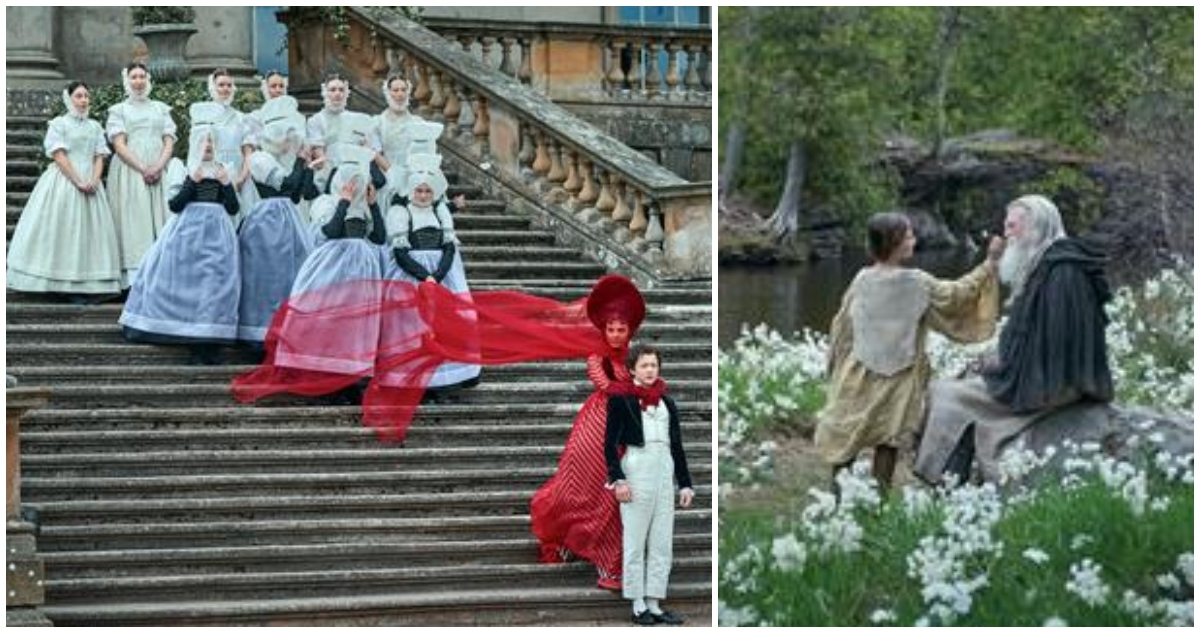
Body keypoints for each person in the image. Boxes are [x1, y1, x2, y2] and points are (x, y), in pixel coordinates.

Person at [915, 195, 1113, 484]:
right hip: (1044, 375)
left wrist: (1002, 364)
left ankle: (940, 481)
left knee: (946, 396)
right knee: (960, 380)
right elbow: (1035, 338)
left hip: (1054, 385)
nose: (1006, 234)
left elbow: (1053, 349)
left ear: (1036, 228)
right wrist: (998, 358)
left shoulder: (1062, 273)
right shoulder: (1050, 264)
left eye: (1012, 227)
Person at [815, 212, 1002, 490]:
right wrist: (990, 262)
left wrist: (835, 365)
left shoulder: (864, 278)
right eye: (910, 235)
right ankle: (866, 500)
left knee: (861, 436)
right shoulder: (915, 282)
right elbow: (959, 295)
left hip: (865, 372)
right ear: (895, 242)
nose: (914, 239)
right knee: (880, 440)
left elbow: (842, 328)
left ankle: (851, 499)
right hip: (893, 373)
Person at [530, 275, 646, 590]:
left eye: (621, 330)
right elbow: (605, 385)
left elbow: (646, 378)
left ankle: (612, 563)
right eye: (611, 329)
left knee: (614, 498)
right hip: (598, 425)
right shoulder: (597, 355)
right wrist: (639, 390)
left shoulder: (634, 354)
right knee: (586, 489)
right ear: (604, 330)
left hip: (628, 427)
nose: (616, 335)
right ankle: (574, 539)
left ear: (629, 331)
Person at [119, 103, 241, 365]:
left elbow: (232, 207)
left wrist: (226, 183)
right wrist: (192, 181)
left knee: (214, 285)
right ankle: (185, 336)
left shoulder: (223, 169)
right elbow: (175, 205)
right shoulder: (182, 168)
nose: (208, 146)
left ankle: (208, 343)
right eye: (204, 141)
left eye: (212, 141)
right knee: (187, 283)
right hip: (188, 232)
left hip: (218, 233)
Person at [379, 132, 481, 393]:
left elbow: (448, 247)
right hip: (412, 274)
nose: (423, 195)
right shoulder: (401, 213)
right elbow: (401, 253)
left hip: (442, 273)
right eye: (419, 190)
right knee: (411, 324)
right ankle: (411, 375)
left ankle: (446, 376)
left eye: (427, 191)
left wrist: (439, 273)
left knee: (445, 322)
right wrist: (424, 276)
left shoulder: (440, 211)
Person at [7, 81, 123, 301]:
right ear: (69, 99)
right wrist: (78, 181)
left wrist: (94, 180)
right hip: (64, 181)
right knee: (62, 230)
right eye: (79, 96)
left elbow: (99, 156)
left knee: (89, 233)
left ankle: (86, 284)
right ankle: (54, 282)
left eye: (86, 96)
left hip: (90, 183)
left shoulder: (95, 127)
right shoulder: (59, 124)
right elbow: (59, 155)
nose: (83, 100)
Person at [605, 345, 693, 626]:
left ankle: (655, 602)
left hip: (664, 468)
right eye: (644, 365)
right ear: (632, 369)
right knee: (635, 540)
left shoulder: (668, 403)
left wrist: (685, 484)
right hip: (637, 466)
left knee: (661, 541)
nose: (650, 370)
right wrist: (618, 479)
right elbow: (609, 444)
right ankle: (637, 603)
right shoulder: (621, 400)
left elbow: (677, 446)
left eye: (654, 365)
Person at [237, 95, 320, 345]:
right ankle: (260, 332)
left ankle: (290, 330)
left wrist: (306, 168)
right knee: (267, 274)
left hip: (290, 219)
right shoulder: (259, 159)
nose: (289, 142)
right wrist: (299, 162)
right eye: (285, 136)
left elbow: (298, 195)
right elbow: (285, 186)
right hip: (267, 221)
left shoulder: (286, 159)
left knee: (291, 274)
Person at [105, 62, 177, 286]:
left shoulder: (160, 108)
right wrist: (143, 168)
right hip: (130, 170)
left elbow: (169, 140)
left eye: (142, 77)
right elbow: (119, 144)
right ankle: (133, 278)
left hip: (158, 167)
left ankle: (161, 276)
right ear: (127, 81)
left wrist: (157, 166)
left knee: (160, 217)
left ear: (148, 80)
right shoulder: (119, 110)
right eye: (134, 77)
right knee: (134, 220)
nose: (138, 81)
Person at [201, 68, 259, 227]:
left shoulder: (242, 118)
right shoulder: (204, 117)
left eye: (228, 85)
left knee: (243, 221)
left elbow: (248, 154)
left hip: (240, 173)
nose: (225, 89)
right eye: (221, 85)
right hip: (213, 174)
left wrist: (241, 178)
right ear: (213, 87)